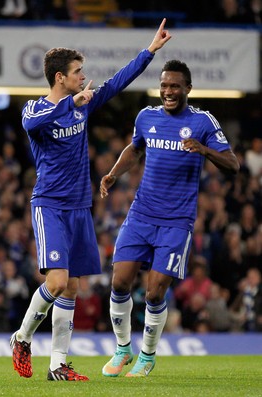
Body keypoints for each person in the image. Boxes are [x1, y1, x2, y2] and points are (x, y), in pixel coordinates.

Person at [10, 19, 172, 382]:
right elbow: (31, 127)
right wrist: (72, 104)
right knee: (55, 282)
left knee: (71, 287)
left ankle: (57, 365)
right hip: (49, 203)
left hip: (80, 206)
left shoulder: (82, 104)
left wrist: (149, 51)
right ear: (59, 78)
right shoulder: (36, 110)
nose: (83, 78)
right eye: (77, 73)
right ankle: (21, 338)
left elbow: (117, 82)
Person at [100, 59, 240, 377]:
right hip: (141, 214)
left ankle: (147, 356)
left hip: (177, 221)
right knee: (119, 282)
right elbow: (135, 150)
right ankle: (123, 349)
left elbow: (233, 164)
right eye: (164, 85)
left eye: (174, 85)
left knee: (154, 292)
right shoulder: (146, 117)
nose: (168, 91)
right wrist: (112, 174)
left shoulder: (203, 122)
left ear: (187, 88)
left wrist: (204, 150)